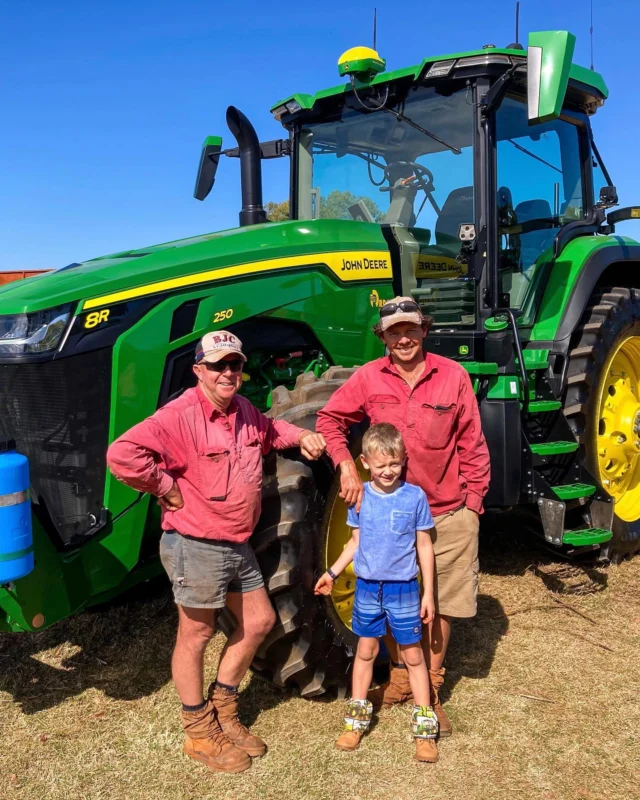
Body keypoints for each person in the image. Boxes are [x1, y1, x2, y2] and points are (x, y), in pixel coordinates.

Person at [107, 330, 326, 774]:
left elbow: (269, 429)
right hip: (196, 544)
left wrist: (298, 436)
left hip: (236, 543)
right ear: (199, 370)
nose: (228, 372)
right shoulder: (179, 415)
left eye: (235, 365)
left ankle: (224, 709)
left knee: (260, 620)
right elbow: (122, 454)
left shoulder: (243, 411)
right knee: (196, 635)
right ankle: (199, 733)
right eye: (218, 365)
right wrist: (165, 487)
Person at [316, 297, 490, 737]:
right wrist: (345, 466)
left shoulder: (452, 376)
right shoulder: (368, 378)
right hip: (389, 517)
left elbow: (472, 443)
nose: (404, 338)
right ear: (383, 337)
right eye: (394, 332)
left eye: (410, 328)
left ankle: (427, 690)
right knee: (395, 596)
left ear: (423, 329)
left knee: (440, 605)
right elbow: (330, 418)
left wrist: (473, 505)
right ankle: (398, 679)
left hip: (447, 510)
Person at [315, 423, 439, 763]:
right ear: (365, 463)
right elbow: (354, 543)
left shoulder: (414, 497)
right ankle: (355, 722)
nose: (388, 471)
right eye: (381, 465)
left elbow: (424, 546)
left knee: (413, 656)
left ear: (403, 461)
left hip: (404, 591)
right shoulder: (360, 498)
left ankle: (424, 727)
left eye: (395, 464)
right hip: (368, 590)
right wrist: (331, 572)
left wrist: (428, 594)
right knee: (365, 653)